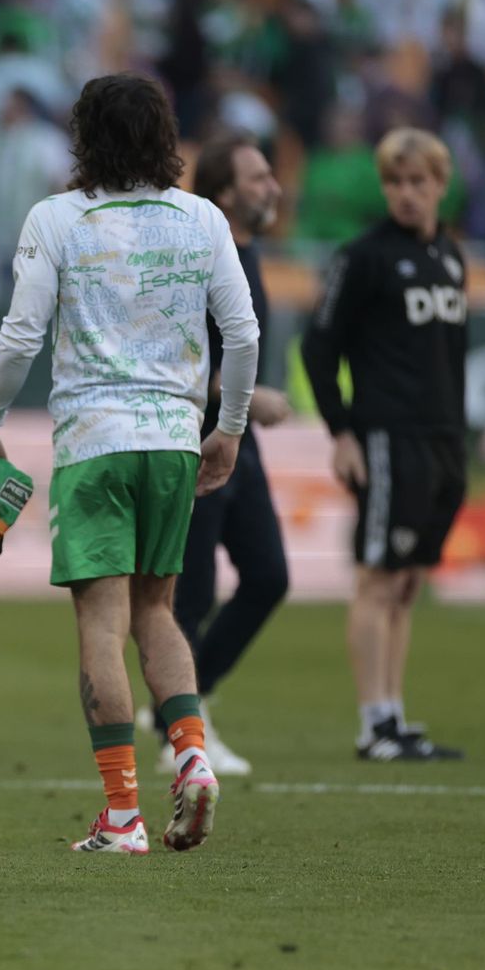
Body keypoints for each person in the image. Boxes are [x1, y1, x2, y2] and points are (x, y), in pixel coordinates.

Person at [0, 74, 259, 855]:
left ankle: (124, 815)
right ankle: (192, 754)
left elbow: (21, 335)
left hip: (96, 440)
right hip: (172, 438)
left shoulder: (58, 218)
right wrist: (225, 427)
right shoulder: (202, 218)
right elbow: (247, 333)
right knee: (157, 612)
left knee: (102, 620)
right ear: (167, 137)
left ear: (82, 138)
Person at [301, 127, 467, 762]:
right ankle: (373, 722)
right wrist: (342, 431)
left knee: (406, 582)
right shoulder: (363, 257)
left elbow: (453, 355)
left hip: (441, 437)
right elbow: (320, 348)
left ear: (440, 186)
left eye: (417, 182)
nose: (406, 194)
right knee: (376, 577)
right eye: (395, 182)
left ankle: (395, 715)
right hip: (388, 437)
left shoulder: (451, 257)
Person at [152, 132, 292, 776]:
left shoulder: (249, 251)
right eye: (259, 177)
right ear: (226, 190)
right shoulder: (200, 254)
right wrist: (247, 397)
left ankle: (187, 705)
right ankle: (178, 730)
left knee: (268, 576)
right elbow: (184, 352)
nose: (273, 187)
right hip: (196, 436)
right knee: (194, 588)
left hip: (237, 438)